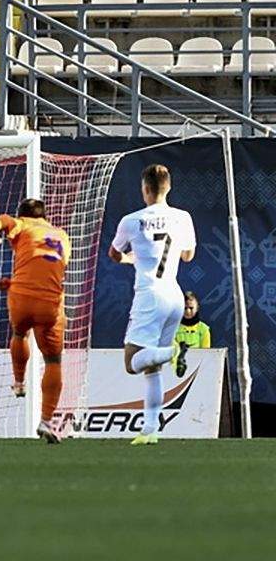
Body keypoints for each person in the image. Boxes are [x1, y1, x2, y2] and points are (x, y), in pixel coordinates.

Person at [108, 164, 196, 446]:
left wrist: (130, 258)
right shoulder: (183, 217)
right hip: (175, 296)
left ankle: (172, 351)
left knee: (131, 362)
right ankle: (150, 429)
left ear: (145, 189)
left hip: (150, 296)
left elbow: (114, 254)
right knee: (153, 367)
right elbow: (188, 256)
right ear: (168, 188)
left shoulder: (132, 220)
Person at [0, 198, 70, 444]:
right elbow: (50, 269)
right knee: (53, 361)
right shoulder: (62, 236)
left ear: (22, 215)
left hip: (21, 298)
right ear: (44, 217)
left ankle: (19, 383)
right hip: (50, 303)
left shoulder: (19, 224)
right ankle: (46, 420)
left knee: (20, 333)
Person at [172, 291, 210, 370]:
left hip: (198, 367)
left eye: (191, 308)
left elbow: (206, 352)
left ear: (197, 308)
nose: (188, 311)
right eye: (185, 308)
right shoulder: (173, 328)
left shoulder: (204, 329)